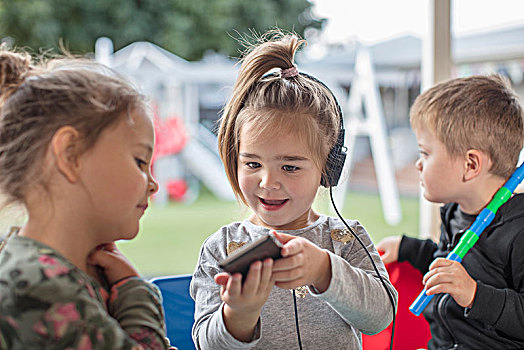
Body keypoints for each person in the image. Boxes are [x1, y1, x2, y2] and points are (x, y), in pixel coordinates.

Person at [190, 31, 397, 349]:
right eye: (253, 164)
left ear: (327, 169)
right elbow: (207, 344)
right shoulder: (222, 249)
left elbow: (381, 316)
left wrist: (324, 270)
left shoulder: (345, 239)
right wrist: (238, 315)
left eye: (290, 167)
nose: (267, 182)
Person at [0, 49, 173, 349]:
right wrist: (135, 294)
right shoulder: (41, 288)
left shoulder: (39, 268)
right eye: (139, 161)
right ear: (70, 155)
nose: (153, 184)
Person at [377, 74, 524, 349]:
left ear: (470, 165)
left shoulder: (519, 229)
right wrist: (408, 248)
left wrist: (474, 295)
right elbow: (446, 265)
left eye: (425, 153)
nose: (418, 164)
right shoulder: (454, 212)